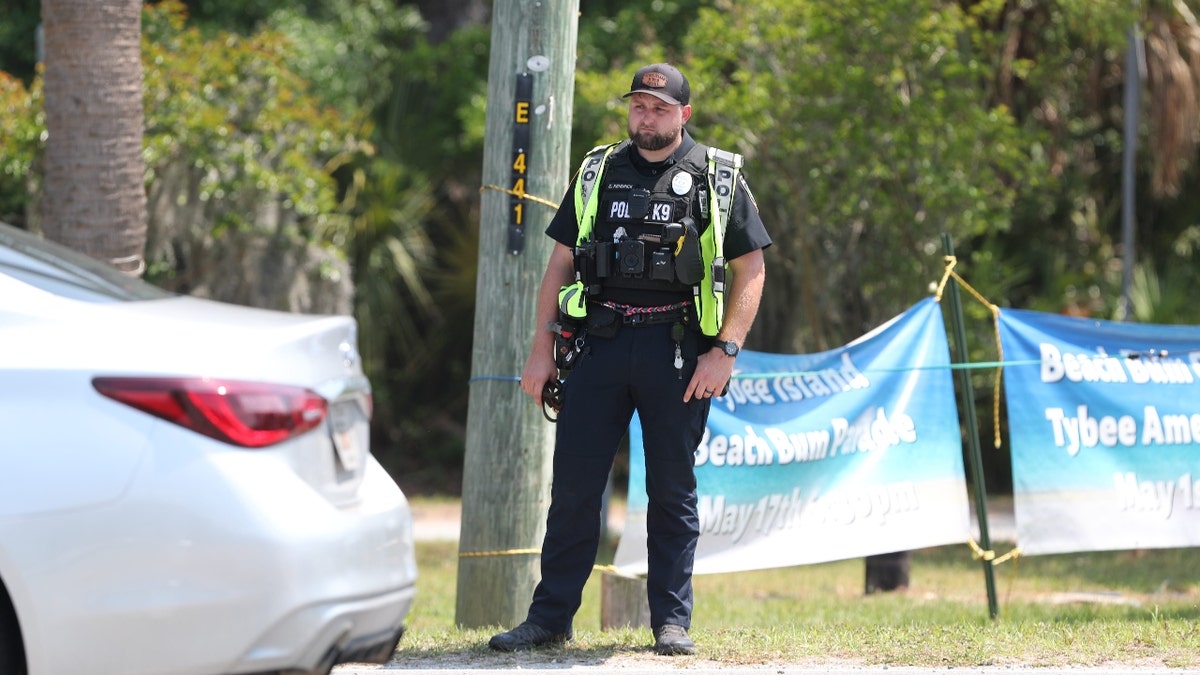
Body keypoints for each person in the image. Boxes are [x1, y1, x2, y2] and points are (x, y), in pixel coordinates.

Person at [489, 63, 771, 656]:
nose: (648, 116)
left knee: (672, 490)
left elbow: (752, 268)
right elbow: (560, 263)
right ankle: (550, 619)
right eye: (639, 105)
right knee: (573, 488)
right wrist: (542, 348)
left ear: (683, 114)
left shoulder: (717, 177)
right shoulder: (597, 171)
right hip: (598, 345)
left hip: (679, 352)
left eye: (660, 108)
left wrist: (726, 351)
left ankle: (671, 622)